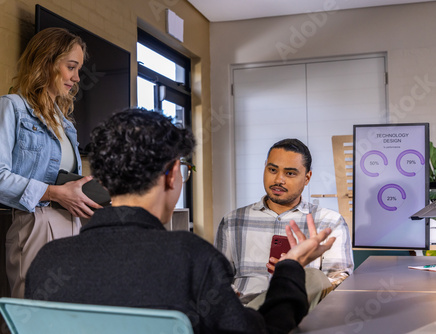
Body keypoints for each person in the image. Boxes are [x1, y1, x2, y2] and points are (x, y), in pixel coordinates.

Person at [25, 109, 336, 334]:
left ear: (103, 179)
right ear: (172, 175)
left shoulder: (47, 260)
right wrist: (291, 266)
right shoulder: (191, 257)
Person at [0, 27, 101, 298]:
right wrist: (54, 193)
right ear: (47, 61)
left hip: (71, 224)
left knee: (66, 319)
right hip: (37, 223)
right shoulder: (9, 108)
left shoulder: (65, 123)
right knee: (33, 319)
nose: (76, 78)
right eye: (71, 67)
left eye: (78, 69)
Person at [215, 138, 354, 309]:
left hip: (300, 311)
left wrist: (295, 274)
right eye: (272, 169)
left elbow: (340, 282)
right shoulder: (233, 221)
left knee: (314, 278)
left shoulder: (330, 222)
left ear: (307, 177)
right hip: (244, 313)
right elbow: (218, 279)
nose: (279, 179)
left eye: (290, 173)